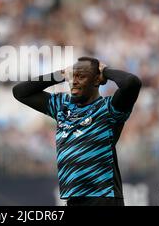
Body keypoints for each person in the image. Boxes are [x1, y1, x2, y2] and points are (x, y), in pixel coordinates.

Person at [12, 57, 141, 206]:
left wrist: (105, 72)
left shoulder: (109, 109)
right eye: (72, 76)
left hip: (102, 197)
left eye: (81, 77)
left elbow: (132, 83)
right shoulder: (62, 106)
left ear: (96, 80)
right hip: (73, 199)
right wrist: (59, 75)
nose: (74, 81)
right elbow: (20, 92)